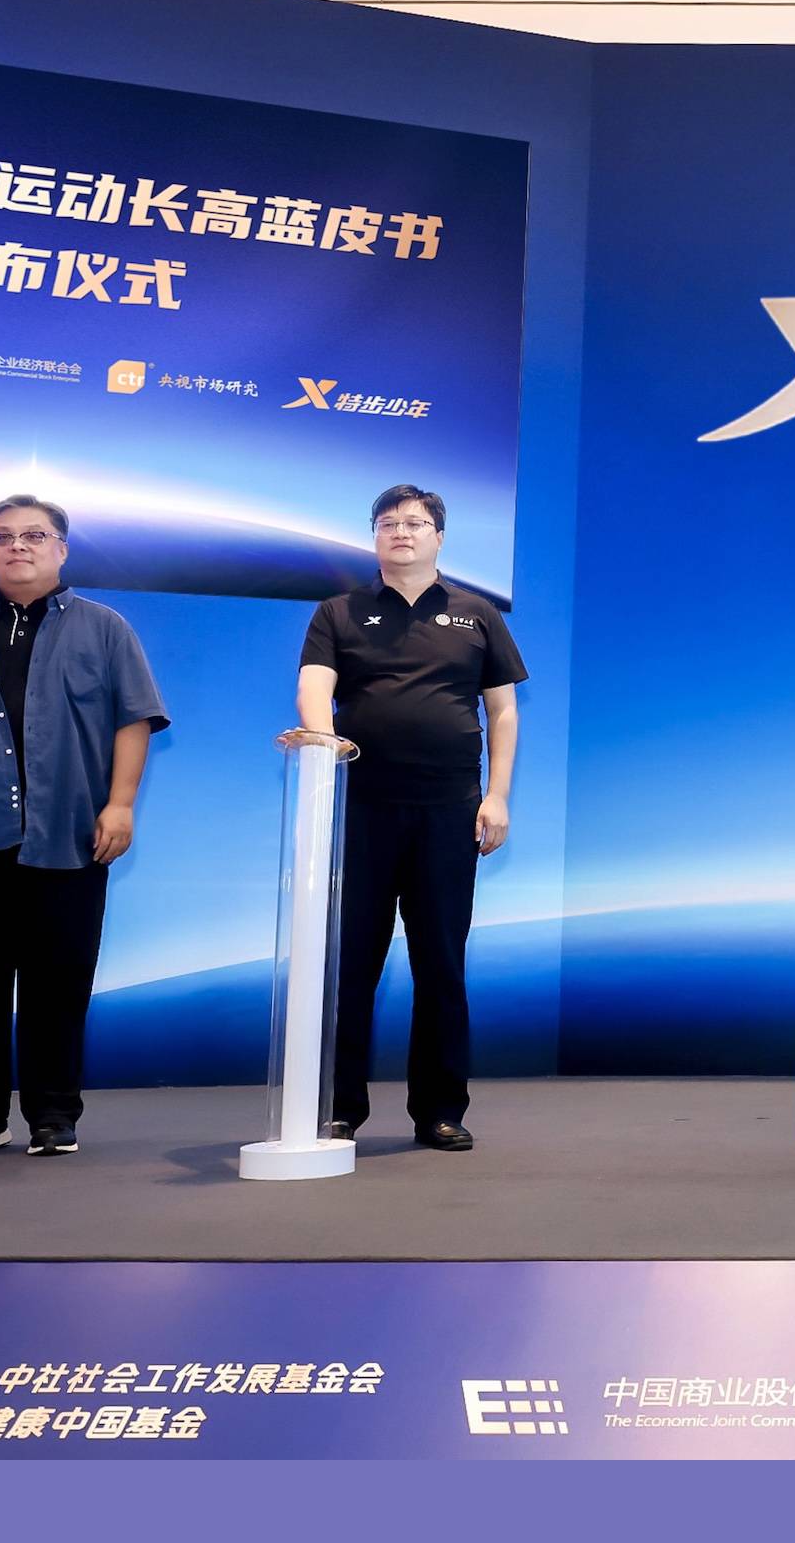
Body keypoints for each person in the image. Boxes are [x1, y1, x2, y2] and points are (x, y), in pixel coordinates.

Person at [0, 495, 167, 1156]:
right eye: (3, 536)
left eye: (34, 535)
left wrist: (121, 804)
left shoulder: (105, 628)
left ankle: (53, 1115)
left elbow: (134, 718)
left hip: (70, 834)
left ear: (61, 549)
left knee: (60, 983)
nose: (17, 545)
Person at [298, 484, 527, 1150]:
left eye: (415, 522)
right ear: (374, 535)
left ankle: (440, 1110)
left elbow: (503, 711)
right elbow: (314, 687)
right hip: (363, 807)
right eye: (388, 522)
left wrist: (497, 795)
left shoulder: (476, 613)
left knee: (441, 964)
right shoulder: (339, 611)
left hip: (449, 809)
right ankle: (338, 1107)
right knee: (352, 964)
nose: (401, 531)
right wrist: (325, 748)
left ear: (439, 537)